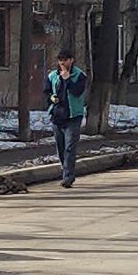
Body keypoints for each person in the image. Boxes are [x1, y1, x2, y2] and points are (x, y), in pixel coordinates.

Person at [44, 49, 89, 188]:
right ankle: (66, 171)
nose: (62, 63)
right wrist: (51, 98)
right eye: (60, 60)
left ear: (71, 60)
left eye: (65, 60)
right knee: (61, 147)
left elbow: (77, 91)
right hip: (57, 116)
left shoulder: (79, 75)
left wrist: (67, 79)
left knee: (70, 147)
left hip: (73, 116)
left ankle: (68, 177)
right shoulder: (52, 76)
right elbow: (46, 92)